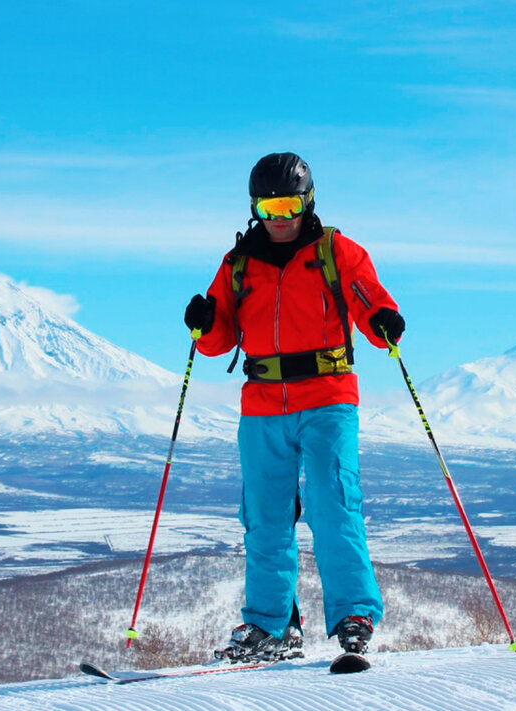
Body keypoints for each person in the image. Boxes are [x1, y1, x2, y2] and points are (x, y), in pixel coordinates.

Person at [183, 152, 405, 661]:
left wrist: (385, 321)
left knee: (333, 506)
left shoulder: (336, 251)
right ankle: (272, 627)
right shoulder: (237, 265)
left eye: (288, 205)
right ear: (254, 207)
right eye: (267, 206)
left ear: (308, 202)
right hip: (262, 404)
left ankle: (353, 615)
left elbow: (369, 301)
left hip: (328, 398)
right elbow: (218, 341)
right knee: (264, 517)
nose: (279, 218)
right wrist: (202, 321)